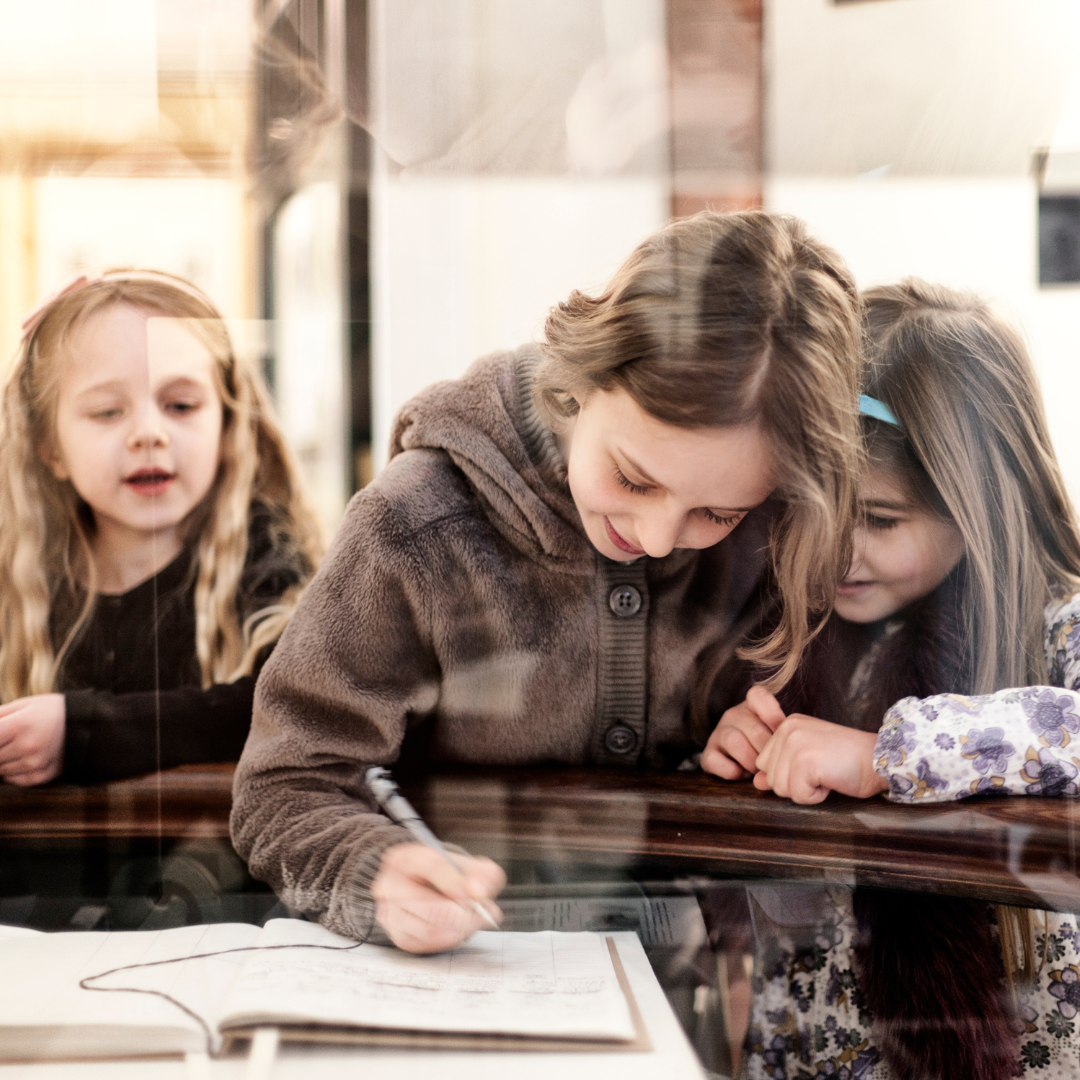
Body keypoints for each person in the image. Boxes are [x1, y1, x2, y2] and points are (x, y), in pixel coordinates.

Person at [230, 210, 867, 955]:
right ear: (580, 382)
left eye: (717, 514)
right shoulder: (414, 526)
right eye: (632, 477)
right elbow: (283, 786)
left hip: (683, 991)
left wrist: (733, 749)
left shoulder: (774, 534)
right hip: (450, 979)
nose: (659, 538)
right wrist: (372, 872)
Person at [703, 279, 1080, 1080]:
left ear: (981, 504)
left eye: (879, 520)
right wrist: (737, 754)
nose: (840, 553)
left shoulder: (1058, 625)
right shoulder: (796, 642)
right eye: (813, 514)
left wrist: (888, 755)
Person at [0, 270, 323, 787]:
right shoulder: (18, 577)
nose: (148, 433)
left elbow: (291, 703)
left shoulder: (261, 553)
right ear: (50, 448)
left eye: (181, 406)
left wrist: (82, 732)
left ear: (227, 424)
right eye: (107, 411)